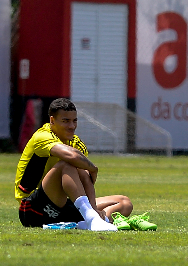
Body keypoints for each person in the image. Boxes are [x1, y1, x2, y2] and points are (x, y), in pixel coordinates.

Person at [15, 98, 132, 231]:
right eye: (65, 121)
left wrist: (93, 207)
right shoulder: (42, 136)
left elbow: (85, 177)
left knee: (124, 203)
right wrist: (93, 168)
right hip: (33, 208)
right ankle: (93, 220)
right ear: (52, 121)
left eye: (74, 120)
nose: (71, 126)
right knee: (67, 163)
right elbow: (72, 156)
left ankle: (88, 221)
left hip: (63, 206)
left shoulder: (77, 143)